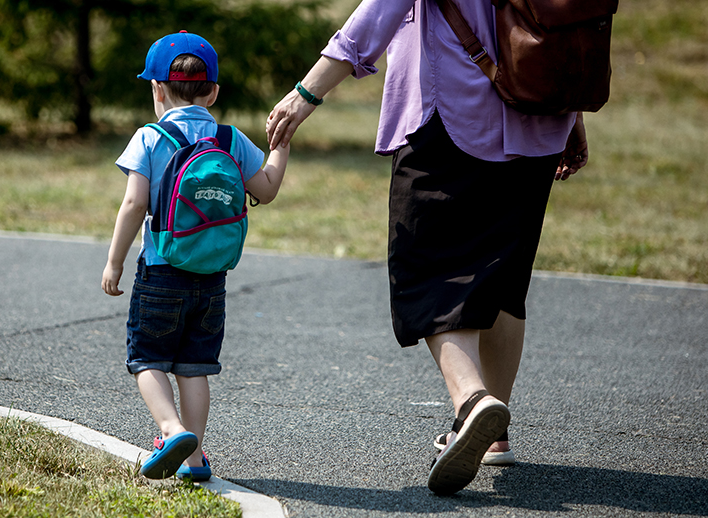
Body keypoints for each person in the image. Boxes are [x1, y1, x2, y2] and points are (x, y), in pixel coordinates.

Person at [266, 0, 589, 495]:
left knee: (427, 268)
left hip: (453, 113)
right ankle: (493, 437)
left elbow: (380, 10)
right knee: (505, 278)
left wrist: (307, 92)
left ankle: (471, 401)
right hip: (540, 114)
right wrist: (568, 107)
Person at [102, 30, 290, 482]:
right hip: (212, 277)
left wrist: (114, 262)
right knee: (194, 368)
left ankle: (169, 431)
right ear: (214, 91)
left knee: (146, 358)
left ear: (157, 89)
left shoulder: (150, 137)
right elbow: (265, 188)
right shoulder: (229, 139)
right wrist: (281, 145)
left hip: (162, 270)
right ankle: (195, 457)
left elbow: (133, 204)